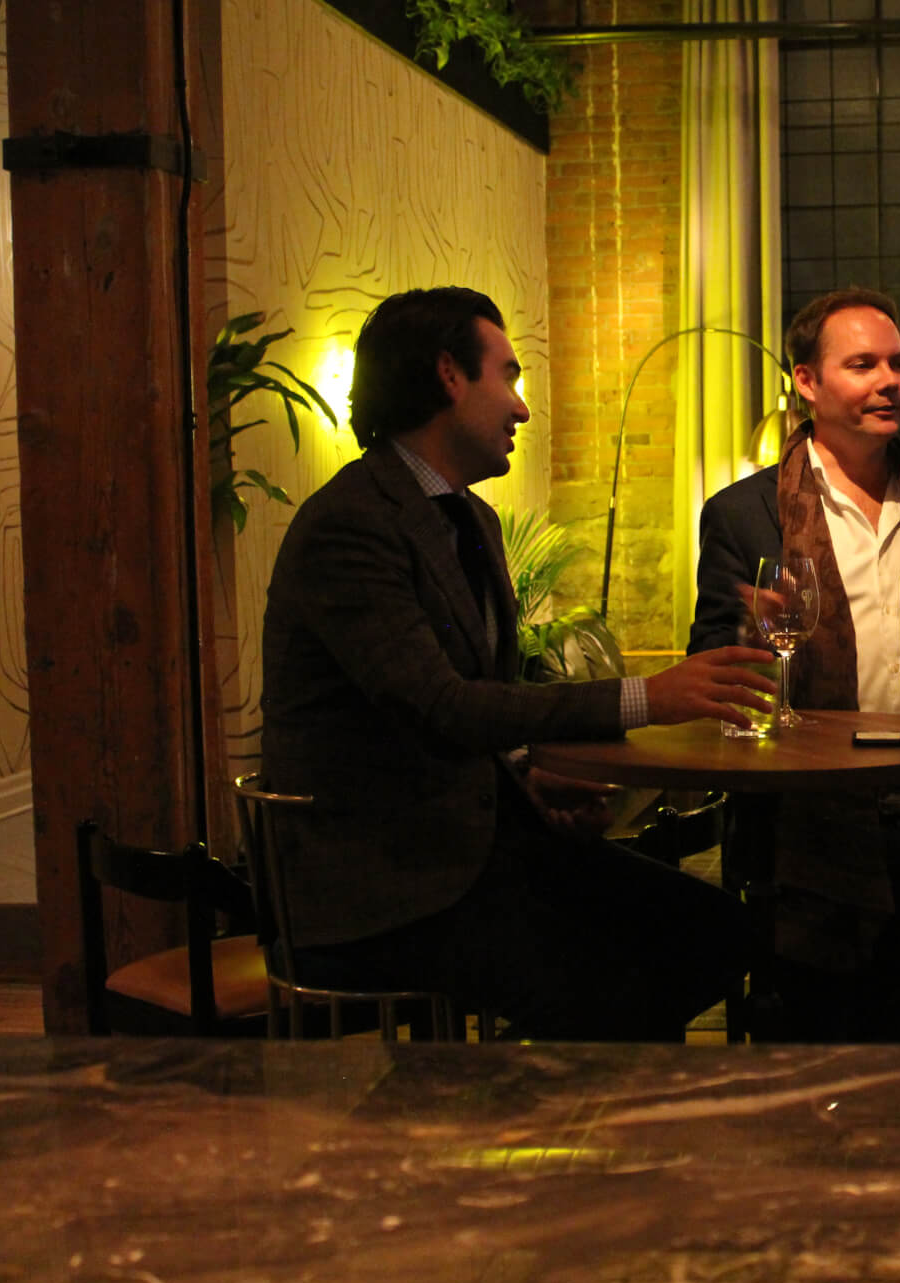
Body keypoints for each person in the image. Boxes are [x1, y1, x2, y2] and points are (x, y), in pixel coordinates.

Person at [260, 286, 776, 1041]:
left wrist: (527, 778)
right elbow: (440, 706)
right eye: (509, 376)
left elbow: (478, 702)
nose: (523, 409)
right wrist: (646, 697)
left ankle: (565, 1092)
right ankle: (545, 1100)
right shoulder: (351, 524)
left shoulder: (471, 517)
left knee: (718, 931)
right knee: (622, 987)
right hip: (382, 885)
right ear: (449, 375)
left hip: (475, 852)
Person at [688, 287, 900, 1041]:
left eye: (899, 363)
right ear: (807, 382)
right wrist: (755, 637)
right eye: (863, 364)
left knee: (899, 1037)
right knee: (804, 1047)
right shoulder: (745, 513)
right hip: (799, 835)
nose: (890, 381)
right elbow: (710, 669)